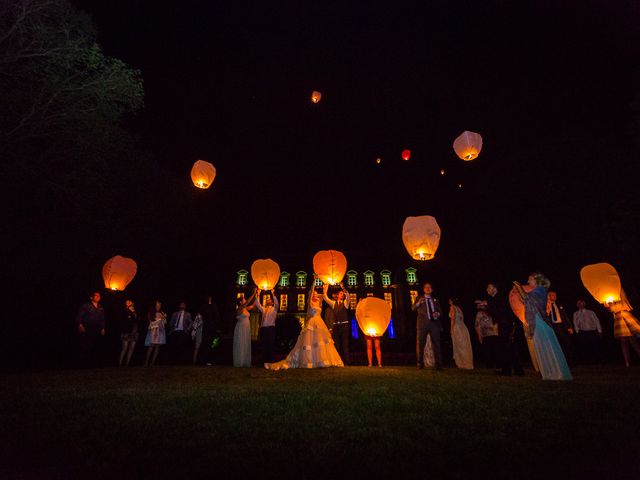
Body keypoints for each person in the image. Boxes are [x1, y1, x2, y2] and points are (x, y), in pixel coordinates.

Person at [265, 276, 343, 370]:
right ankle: (309, 361)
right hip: (312, 323)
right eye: (314, 294)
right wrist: (314, 281)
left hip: (320, 323)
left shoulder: (319, 303)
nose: (315, 295)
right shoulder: (310, 304)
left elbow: (324, 294)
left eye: (316, 294)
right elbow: (310, 292)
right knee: (309, 343)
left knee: (321, 343)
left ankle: (322, 361)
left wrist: (326, 285)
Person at [515, 273, 572, 381]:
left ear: (536, 281)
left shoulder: (540, 290)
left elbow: (527, 297)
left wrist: (519, 287)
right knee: (541, 347)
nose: (528, 282)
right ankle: (549, 372)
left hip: (541, 322)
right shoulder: (535, 292)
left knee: (547, 346)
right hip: (536, 321)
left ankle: (557, 373)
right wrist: (518, 291)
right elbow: (525, 301)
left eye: (530, 279)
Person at [487, 282, 524, 376]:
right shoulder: (496, 299)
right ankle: (517, 370)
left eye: (489, 287)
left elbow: (499, 311)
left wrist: (486, 306)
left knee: (504, 347)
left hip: (506, 325)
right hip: (505, 324)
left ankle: (507, 370)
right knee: (509, 347)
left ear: (494, 289)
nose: (487, 289)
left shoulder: (500, 298)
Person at [412, 282, 443, 370]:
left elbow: (441, 312)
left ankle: (438, 364)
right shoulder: (419, 298)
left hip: (434, 324)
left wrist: (438, 314)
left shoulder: (436, 300)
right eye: (426, 287)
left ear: (432, 289)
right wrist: (418, 303)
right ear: (423, 289)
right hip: (422, 324)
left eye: (429, 287)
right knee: (420, 343)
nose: (428, 289)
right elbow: (413, 308)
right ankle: (420, 363)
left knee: (436, 344)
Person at [605, 292, 640, 367]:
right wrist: (608, 304)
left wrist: (614, 300)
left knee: (632, 340)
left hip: (625, 315)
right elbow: (611, 310)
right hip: (618, 317)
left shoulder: (619, 291)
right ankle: (627, 363)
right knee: (623, 341)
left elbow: (624, 303)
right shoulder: (606, 294)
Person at [322, 282, 351, 365]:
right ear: (337, 295)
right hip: (336, 327)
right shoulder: (333, 303)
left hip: (344, 326)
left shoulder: (345, 303)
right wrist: (325, 289)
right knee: (336, 345)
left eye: (343, 294)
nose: (342, 295)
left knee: (345, 345)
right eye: (341, 294)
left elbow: (348, 296)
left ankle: (347, 362)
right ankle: (337, 362)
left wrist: (343, 288)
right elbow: (325, 298)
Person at [75, 291, 106, 367]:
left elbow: (102, 319)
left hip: (96, 329)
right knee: (85, 346)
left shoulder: (101, 307)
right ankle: (82, 364)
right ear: (91, 297)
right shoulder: (86, 306)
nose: (98, 297)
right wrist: (80, 325)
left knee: (94, 346)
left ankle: (92, 364)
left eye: (99, 296)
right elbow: (79, 316)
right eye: (96, 295)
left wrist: (103, 328)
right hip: (87, 328)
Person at [546, 291, 575, 364]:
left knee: (566, 343)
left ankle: (569, 362)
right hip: (552, 327)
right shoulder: (546, 305)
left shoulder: (560, 305)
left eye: (555, 295)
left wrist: (569, 327)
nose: (554, 296)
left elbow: (565, 316)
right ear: (548, 296)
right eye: (552, 295)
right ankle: (557, 362)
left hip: (562, 327)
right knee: (555, 344)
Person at [572, 299, 602, 364]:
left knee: (594, 346)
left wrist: (599, 330)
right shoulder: (576, 313)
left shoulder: (591, 312)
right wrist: (577, 331)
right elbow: (575, 323)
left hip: (592, 331)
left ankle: (596, 361)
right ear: (577, 305)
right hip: (582, 332)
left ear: (584, 304)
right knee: (584, 347)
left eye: (582, 303)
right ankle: (586, 361)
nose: (581, 305)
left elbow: (596, 321)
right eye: (579, 304)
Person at [233, 290, 257, 367]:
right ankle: (240, 361)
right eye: (243, 299)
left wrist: (258, 295)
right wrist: (253, 293)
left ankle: (245, 361)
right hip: (241, 328)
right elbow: (247, 303)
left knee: (245, 343)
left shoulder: (245, 308)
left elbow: (253, 305)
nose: (245, 300)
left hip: (246, 328)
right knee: (241, 343)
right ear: (240, 302)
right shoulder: (239, 308)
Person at [255, 289, 279, 363]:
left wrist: (273, 293)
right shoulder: (264, 309)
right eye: (266, 300)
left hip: (270, 329)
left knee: (270, 345)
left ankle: (270, 361)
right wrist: (258, 294)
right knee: (263, 345)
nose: (267, 300)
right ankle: (264, 361)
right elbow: (257, 304)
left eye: (269, 300)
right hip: (263, 329)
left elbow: (277, 304)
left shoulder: (274, 309)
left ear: (272, 302)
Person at [474, 300, 499, 368]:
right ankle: (489, 364)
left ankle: (497, 364)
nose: (481, 307)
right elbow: (477, 325)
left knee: (495, 349)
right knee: (487, 350)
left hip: (494, 333)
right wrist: (479, 335)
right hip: (486, 334)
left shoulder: (491, 312)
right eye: (480, 306)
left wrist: (496, 330)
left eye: (482, 305)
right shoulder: (479, 314)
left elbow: (496, 322)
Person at [199, 295, 221, 365]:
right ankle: (210, 360)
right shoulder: (213, 306)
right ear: (210, 299)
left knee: (205, 343)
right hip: (211, 328)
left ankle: (204, 360)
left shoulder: (203, 307)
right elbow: (217, 317)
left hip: (205, 328)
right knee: (212, 344)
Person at [144, 300, 166, 367]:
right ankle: (146, 362)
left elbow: (164, 323)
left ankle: (152, 363)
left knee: (157, 347)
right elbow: (151, 323)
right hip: (154, 331)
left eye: (160, 305)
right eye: (158, 305)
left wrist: (164, 318)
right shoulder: (151, 312)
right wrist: (160, 319)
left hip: (161, 331)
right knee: (151, 347)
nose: (159, 306)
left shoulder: (161, 312)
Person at [119, 299, 138, 367]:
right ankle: (120, 365)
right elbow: (126, 321)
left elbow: (136, 321)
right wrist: (131, 312)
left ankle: (127, 364)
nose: (129, 303)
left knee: (131, 349)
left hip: (134, 332)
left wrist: (134, 313)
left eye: (130, 301)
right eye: (127, 302)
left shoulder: (135, 311)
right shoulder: (124, 311)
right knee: (125, 348)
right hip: (126, 332)